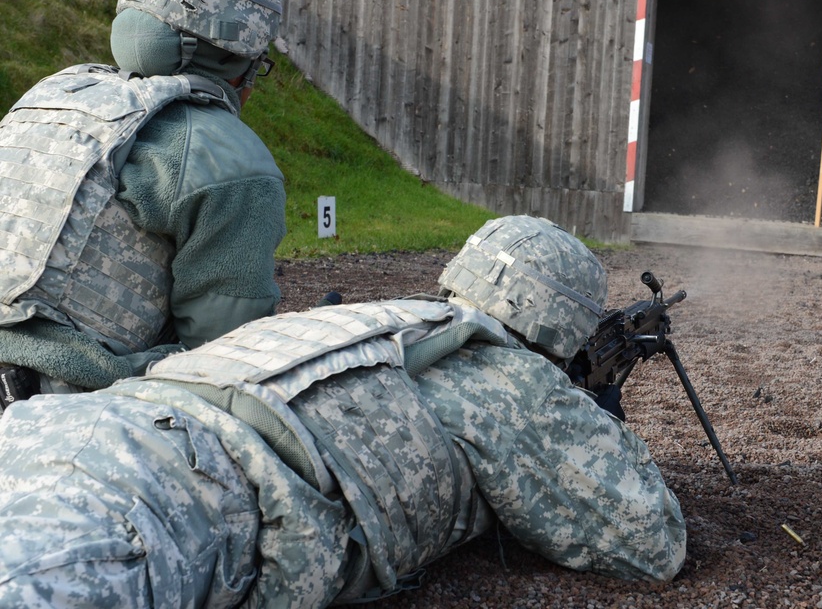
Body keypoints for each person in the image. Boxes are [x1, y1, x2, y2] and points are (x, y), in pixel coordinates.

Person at [0, 215, 686, 607]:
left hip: (70, 424)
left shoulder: (369, 320)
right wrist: (590, 413)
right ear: (558, 322)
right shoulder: (507, 377)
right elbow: (649, 541)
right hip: (180, 497)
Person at [0, 0, 287, 410]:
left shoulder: (55, 94)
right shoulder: (229, 157)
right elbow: (225, 362)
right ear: (242, 54)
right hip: (59, 421)